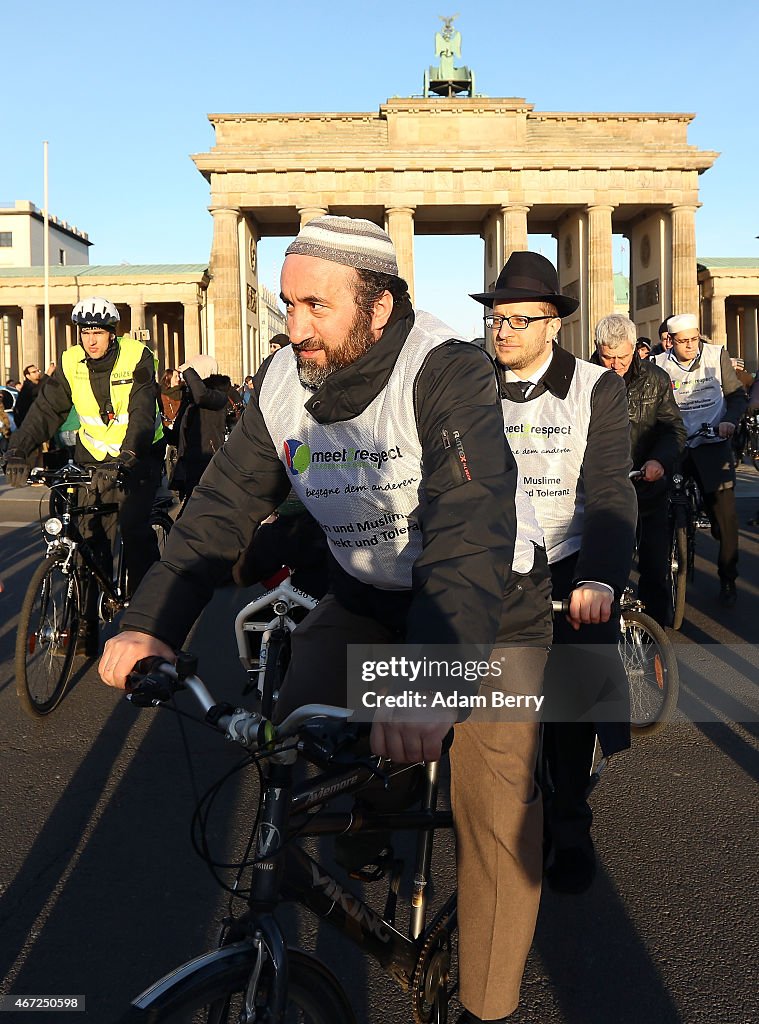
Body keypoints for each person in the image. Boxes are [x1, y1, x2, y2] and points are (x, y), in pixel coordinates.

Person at [99, 215, 554, 1024]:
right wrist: (151, 623)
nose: (294, 324)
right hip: (369, 597)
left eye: (316, 305)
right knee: (281, 739)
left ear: (377, 309)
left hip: (489, 610)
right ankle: (373, 820)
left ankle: (486, 1007)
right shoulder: (280, 382)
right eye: (287, 303)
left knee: (497, 819)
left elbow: (469, 531)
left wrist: (429, 677)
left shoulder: (444, 370)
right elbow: (218, 512)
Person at [471, 251, 637, 895]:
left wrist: (600, 577)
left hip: (569, 565)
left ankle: (570, 824)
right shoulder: (472, 384)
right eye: (495, 319)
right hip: (492, 564)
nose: (503, 330)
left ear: (553, 325)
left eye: (518, 319)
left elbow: (609, 492)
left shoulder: (600, 388)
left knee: (568, 711)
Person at [3, 296, 165, 654]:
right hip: (92, 455)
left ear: (112, 333)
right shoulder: (71, 361)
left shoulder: (137, 356)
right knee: (88, 540)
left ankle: (146, 622)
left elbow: (140, 413)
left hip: (137, 455)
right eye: (85, 332)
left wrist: (128, 457)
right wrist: (18, 449)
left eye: (98, 332)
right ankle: (83, 627)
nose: (90, 340)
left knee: (134, 528)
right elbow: (47, 409)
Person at [592, 314, 686, 626]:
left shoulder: (655, 378)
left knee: (655, 568)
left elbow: (673, 429)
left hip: (647, 488)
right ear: (597, 349)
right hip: (600, 492)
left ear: (634, 348)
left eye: (621, 356)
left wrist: (659, 461)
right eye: (607, 356)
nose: (614, 364)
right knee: (598, 570)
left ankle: (657, 641)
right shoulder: (583, 377)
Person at [654, 313, 747, 607]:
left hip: (712, 442)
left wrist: (730, 421)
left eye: (694, 339)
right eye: (683, 342)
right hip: (677, 445)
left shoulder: (716, 355)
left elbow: (736, 395)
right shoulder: (658, 365)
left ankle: (728, 578)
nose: (691, 346)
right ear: (670, 341)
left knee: (725, 516)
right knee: (659, 503)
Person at [171, 354, 242, 515]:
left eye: (192, 373)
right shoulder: (190, 399)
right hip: (190, 464)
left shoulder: (218, 395)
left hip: (207, 462)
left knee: (192, 516)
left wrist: (188, 370)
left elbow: (201, 395)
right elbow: (178, 433)